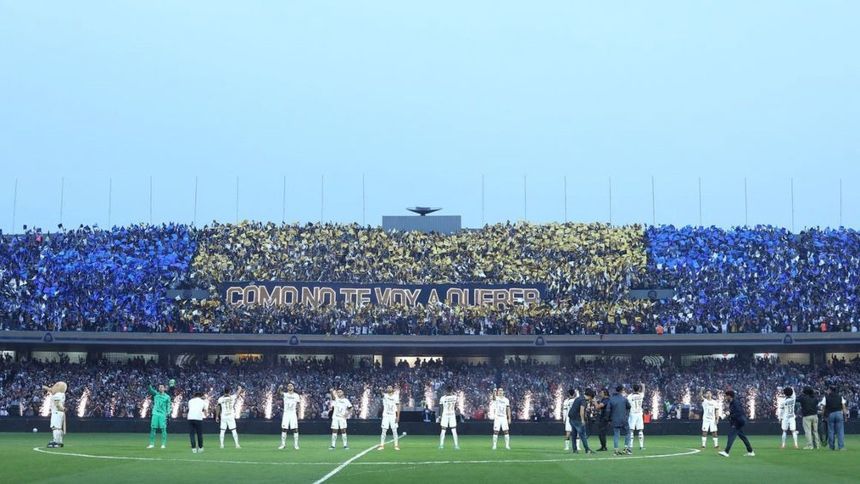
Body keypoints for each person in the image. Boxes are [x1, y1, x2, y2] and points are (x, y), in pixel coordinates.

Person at [718, 390, 755, 457]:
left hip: (738, 422)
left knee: (731, 435)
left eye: (726, 396)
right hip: (739, 421)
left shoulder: (735, 403)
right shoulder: (733, 403)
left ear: (729, 396)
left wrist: (729, 415)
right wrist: (728, 414)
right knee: (742, 436)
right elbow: (734, 412)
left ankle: (726, 452)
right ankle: (750, 451)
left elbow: (738, 412)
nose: (725, 397)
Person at [147, 380, 174, 449]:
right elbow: (150, 390)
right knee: (153, 428)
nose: (160, 388)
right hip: (155, 413)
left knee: (163, 429)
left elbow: (168, 406)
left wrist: (168, 414)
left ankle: (163, 444)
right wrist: (149, 385)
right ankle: (151, 444)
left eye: (162, 387)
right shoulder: (156, 394)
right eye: (159, 387)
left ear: (164, 388)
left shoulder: (167, 397)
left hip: (163, 414)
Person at [567, 388, 595, 454]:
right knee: (583, 435)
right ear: (590, 396)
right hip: (577, 419)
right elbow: (581, 410)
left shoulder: (578, 398)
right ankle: (587, 449)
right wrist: (582, 420)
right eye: (591, 398)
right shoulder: (583, 400)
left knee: (574, 435)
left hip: (571, 418)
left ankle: (574, 450)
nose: (591, 400)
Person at [820, 385, 847, 450]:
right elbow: (844, 407)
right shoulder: (840, 397)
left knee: (831, 431)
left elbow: (823, 408)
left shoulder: (826, 397)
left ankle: (831, 447)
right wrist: (845, 416)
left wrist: (822, 416)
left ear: (830, 390)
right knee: (840, 431)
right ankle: (841, 447)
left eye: (828, 389)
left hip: (830, 414)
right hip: (839, 414)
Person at [608, 385, 631, 456]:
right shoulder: (624, 399)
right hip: (624, 419)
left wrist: (609, 419)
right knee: (628, 433)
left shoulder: (611, 399)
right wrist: (626, 414)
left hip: (615, 419)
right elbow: (629, 406)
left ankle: (616, 450)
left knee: (616, 435)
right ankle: (626, 449)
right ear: (622, 390)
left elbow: (608, 410)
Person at [42, 381, 67, 448]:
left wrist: (62, 408)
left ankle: (56, 441)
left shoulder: (57, 395)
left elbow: (57, 404)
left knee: (55, 427)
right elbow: (52, 390)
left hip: (56, 412)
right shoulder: (62, 394)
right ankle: (60, 441)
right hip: (60, 413)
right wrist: (46, 388)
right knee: (58, 428)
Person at [279, 383, 301, 450]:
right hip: (286, 413)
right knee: (284, 429)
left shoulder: (296, 395)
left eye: (291, 386)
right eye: (288, 386)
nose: (290, 387)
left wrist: (299, 414)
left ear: (293, 387)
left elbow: (298, 405)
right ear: (287, 388)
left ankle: (296, 445)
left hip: (293, 413)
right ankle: (283, 444)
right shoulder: (285, 394)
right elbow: (279, 393)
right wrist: (279, 388)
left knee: (295, 429)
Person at [379, 385, 400, 451]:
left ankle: (396, 445)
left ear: (392, 389)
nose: (389, 388)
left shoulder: (396, 396)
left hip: (393, 415)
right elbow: (381, 394)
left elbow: (398, 406)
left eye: (390, 387)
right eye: (388, 387)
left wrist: (398, 416)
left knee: (394, 431)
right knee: (384, 431)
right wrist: (380, 390)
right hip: (386, 415)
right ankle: (382, 445)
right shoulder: (385, 396)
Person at [628, 383, 645, 451]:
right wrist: (643, 386)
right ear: (639, 389)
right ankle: (641, 446)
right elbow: (643, 391)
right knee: (640, 430)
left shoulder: (630, 396)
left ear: (633, 389)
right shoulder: (641, 395)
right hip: (639, 413)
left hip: (632, 413)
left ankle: (630, 446)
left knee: (631, 430)